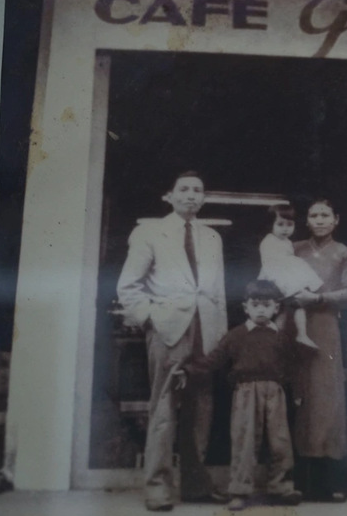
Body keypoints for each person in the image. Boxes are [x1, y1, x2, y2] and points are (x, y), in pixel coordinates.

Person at [116, 170, 228, 511]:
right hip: (169, 329)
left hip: (206, 331)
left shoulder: (212, 237)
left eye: (198, 190)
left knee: (201, 409)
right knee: (163, 407)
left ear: (204, 197)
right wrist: (151, 318)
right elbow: (128, 286)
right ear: (170, 195)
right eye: (184, 190)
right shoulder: (150, 232)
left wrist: (220, 338)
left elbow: (217, 292)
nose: (191, 195)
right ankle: (158, 486)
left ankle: (195, 484)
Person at [176, 281, 302, 512]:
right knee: (244, 441)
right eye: (255, 305)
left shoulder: (282, 337)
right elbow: (213, 359)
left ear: (276, 308)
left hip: (275, 392)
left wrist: (298, 392)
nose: (261, 310)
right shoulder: (236, 336)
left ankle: (281, 487)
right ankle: (239, 490)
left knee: (281, 441)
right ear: (246, 308)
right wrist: (188, 370)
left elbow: (293, 367)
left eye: (266, 305)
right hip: (246, 392)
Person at [290, 198, 347, 501]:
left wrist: (317, 299)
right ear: (306, 220)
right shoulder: (293, 248)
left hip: (327, 326)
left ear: (336, 219)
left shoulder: (344, 253)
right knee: (301, 397)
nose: (319, 220)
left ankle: (333, 481)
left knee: (329, 398)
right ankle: (303, 481)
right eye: (313, 215)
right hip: (297, 325)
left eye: (325, 215)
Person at [258, 204, 323, 350]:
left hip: (287, 278)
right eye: (280, 224)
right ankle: (299, 335)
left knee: (287, 309)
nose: (285, 228)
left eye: (290, 224)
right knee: (289, 307)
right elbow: (270, 265)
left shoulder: (287, 242)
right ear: (271, 225)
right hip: (277, 280)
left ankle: (283, 338)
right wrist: (281, 285)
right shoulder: (268, 242)